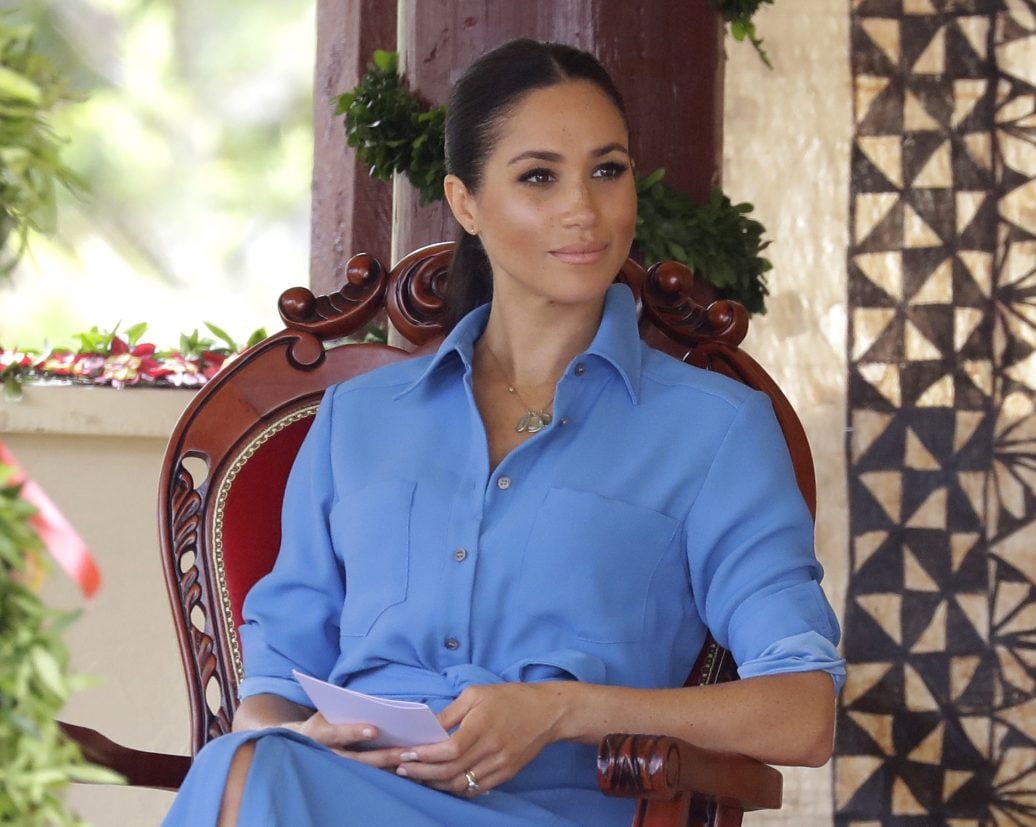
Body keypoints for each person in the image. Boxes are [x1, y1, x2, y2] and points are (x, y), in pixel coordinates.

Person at [162, 38, 845, 827]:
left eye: (607, 169)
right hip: (333, 794)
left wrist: (562, 709)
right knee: (253, 763)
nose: (583, 209)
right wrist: (309, 737)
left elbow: (803, 713)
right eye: (538, 177)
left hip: (554, 811)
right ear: (465, 202)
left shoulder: (715, 430)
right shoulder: (357, 421)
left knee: (252, 779)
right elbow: (271, 686)